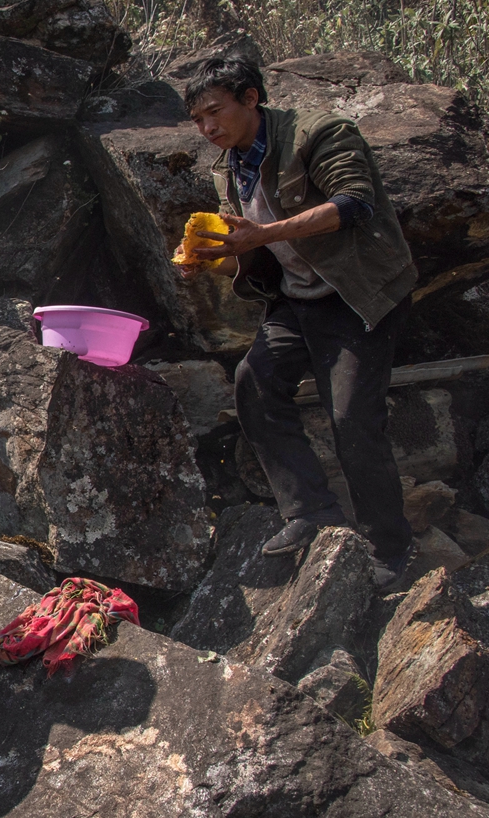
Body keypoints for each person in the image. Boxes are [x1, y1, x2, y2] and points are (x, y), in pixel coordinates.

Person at [178, 58, 416, 590]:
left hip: (355, 295)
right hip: (297, 298)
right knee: (254, 387)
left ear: (251, 98)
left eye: (215, 111)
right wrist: (210, 256)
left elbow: (352, 203)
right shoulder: (229, 166)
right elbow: (250, 245)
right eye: (197, 120)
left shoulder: (319, 132)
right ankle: (311, 512)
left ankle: (391, 550)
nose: (207, 128)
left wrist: (258, 236)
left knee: (353, 419)